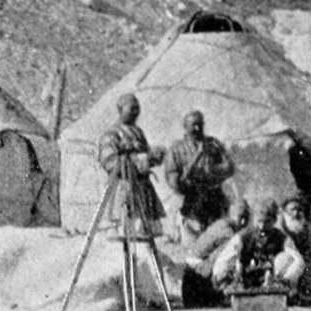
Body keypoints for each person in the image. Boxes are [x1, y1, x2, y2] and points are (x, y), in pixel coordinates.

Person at [97, 93, 165, 239]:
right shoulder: (111, 134)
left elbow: (146, 155)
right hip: (124, 188)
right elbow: (109, 162)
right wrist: (137, 160)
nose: (135, 113)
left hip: (142, 189)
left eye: (137, 109)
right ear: (120, 109)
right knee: (126, 233)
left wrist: (154, 156)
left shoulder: (138, 132)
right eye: (131, 109)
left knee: (144, 234)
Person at [162, 110, 236, 238]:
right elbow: (172, 179)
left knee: (218, 238)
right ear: (185, 126)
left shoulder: (213, 144)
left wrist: (213, 172)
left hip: (214, 201)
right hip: (190, 204)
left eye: (200, 124)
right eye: (193, 125)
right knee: (193, 242)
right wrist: (187, 176)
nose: (197, 128)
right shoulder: (176, 149)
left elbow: (229, 167)